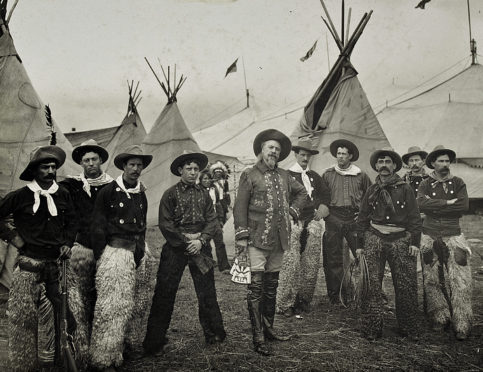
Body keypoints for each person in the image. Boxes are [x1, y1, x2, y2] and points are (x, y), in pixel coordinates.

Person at [0, 145, 77, 370]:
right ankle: (27, 361)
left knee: (61, 316)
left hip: (56, 266)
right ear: (35, 171)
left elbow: (73, 222)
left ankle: (56, 360)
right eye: (45, 167)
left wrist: (67, 243)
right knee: (26, 319)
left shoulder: (63, 194)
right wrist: (14, 237)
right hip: (29, 266)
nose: (51, 171)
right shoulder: (20, 196)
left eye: (53, 167)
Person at [143, 151, 226, 356]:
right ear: (180, 170)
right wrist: (185, 242)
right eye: (188, 168)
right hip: (175, 248)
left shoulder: (204, 194)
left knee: (207, 291)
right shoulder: (169, 194)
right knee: (164, 292)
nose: (192, 172)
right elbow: (165, 223)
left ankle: (214, 333)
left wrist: (201, 240)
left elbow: (212, 220)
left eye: (196, 169)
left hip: (201, 247)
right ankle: (155, 342)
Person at [233, 129, 307, 356]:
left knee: (272, 287)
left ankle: (269, 329)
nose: (274, 152)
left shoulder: (285, 175)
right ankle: (257, 337)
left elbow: (302, 193)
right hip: (256, 239)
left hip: (279, 240)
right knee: (256, 288)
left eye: (277, 149)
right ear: (261, 151)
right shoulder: (249, 174)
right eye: (270, 148)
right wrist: (243, 236)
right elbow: (239, 207)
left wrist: (292, 211)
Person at [89, 145, 152, 371]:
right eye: (132, 165)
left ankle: (124, 347)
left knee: (133, 305)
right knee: (112, 306)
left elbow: (143, 225)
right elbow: (97, 227)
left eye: (139, 165)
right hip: (115, 254)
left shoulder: (140, 192)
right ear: (124, 167)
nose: (136, 169)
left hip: (136, 253)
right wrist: (102, 257)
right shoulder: (109, 191)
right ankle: (103, 356)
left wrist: (141, 251)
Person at [356, 147, 422, 341]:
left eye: (387, 162)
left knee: (406, 285)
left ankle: (409, 328)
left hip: (401, 240)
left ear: (394, 166)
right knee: (371, 285)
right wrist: (360, 244)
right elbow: (362, 217)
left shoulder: (405, 188)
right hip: (374, 238)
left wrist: (415, 242)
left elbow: (415, 217)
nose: (384, 166)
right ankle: (372, 328)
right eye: (380, 162)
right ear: (376, 166)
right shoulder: (372, 189)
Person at [59, 139, 113, 365]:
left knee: (104, 298)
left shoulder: (112, 185)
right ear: (81, 162)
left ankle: (104, 347)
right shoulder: (71, 186)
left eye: (94, 159)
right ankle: (81, 346)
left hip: (106, 248)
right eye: (86, 160)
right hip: (81, 248)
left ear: (101, 160)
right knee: (80, 298)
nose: (90, 163)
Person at [417, 145, 472, 340]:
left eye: (447, 161)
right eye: (441, 161)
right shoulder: (424, 184)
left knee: (460, 280)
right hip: (429, 235)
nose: (445, 164)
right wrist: (447, 203)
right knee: (431, 279)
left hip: (453, 234)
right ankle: (440, 317)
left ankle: (462, 323)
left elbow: (463, 205)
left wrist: (435, 207)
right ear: (432, 163)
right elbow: (420, 204)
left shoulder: (458, 182)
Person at [277, 137, 328, 316]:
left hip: (311, 223)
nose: (305, 159)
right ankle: (285, 302)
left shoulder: (314, 177)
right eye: (302, 155)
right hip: (293, 223)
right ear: (296, 155)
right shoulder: (286, 175)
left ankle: (303, 299)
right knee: (290, 263)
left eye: (308, 156)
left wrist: (322, 208)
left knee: (311, 263)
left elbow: (324, 195)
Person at [319, 139, 372, 304]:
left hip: (354, 218)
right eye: (338, 154)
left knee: (361, 255)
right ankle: (335, 296)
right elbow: (321, 197)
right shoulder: (327, 174)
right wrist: (327, 214)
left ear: (350, 156)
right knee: (333, 258)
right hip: (334, 218)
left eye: (344, 154)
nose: (340, 157)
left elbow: (369, 198)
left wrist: (362, 216)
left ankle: (363, 293)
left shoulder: (361, 175)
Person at [199, 169, 231, 272]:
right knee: (205, 243)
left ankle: (224, 266)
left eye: (208, 178)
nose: (207, 181)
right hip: (204, 220)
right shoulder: (198, 191)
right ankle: (207, 264)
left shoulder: (214, 189)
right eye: (204, 179)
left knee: (220, 242)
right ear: (200, 180)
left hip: (215, 219)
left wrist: (221, 219)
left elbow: (218, 204)